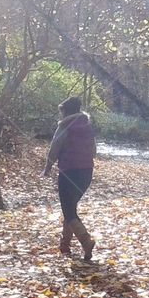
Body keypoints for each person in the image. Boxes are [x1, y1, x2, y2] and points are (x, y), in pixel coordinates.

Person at [42, 96, 97, 260]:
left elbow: (54, 149)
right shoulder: (87, 127)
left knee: (69, 210)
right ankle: (65, 245)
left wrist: (47, 168)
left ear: (65, 111)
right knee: (70, 208)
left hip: (68, 173)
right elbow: (93, 151)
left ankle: (86, 240)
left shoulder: (64, 126)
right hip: (87, 173)